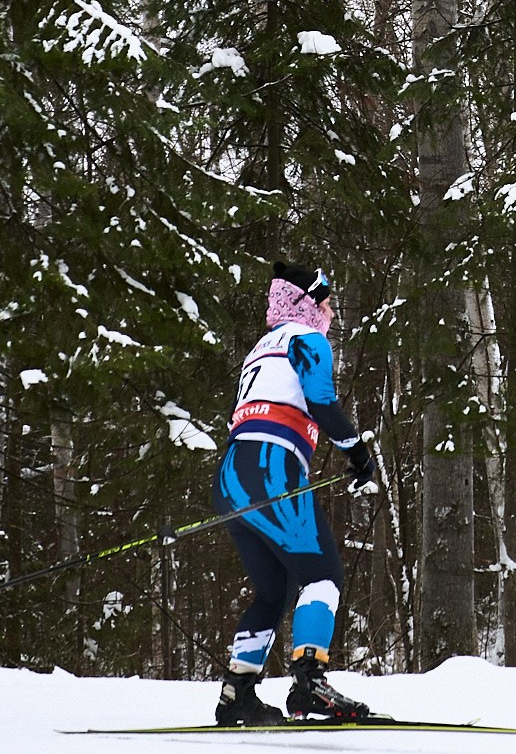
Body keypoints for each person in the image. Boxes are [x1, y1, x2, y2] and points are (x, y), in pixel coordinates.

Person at [213, 263, 380, 726]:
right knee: (322, 575)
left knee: (274, 591)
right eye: (323, 300)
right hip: (273, 470)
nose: (328, 310)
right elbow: (322, 400)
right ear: (305, 302)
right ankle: (310, 682)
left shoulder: (259, 348)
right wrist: (359, 453)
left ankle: (238, 693)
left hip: (231, 477)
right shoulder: (307, 339)